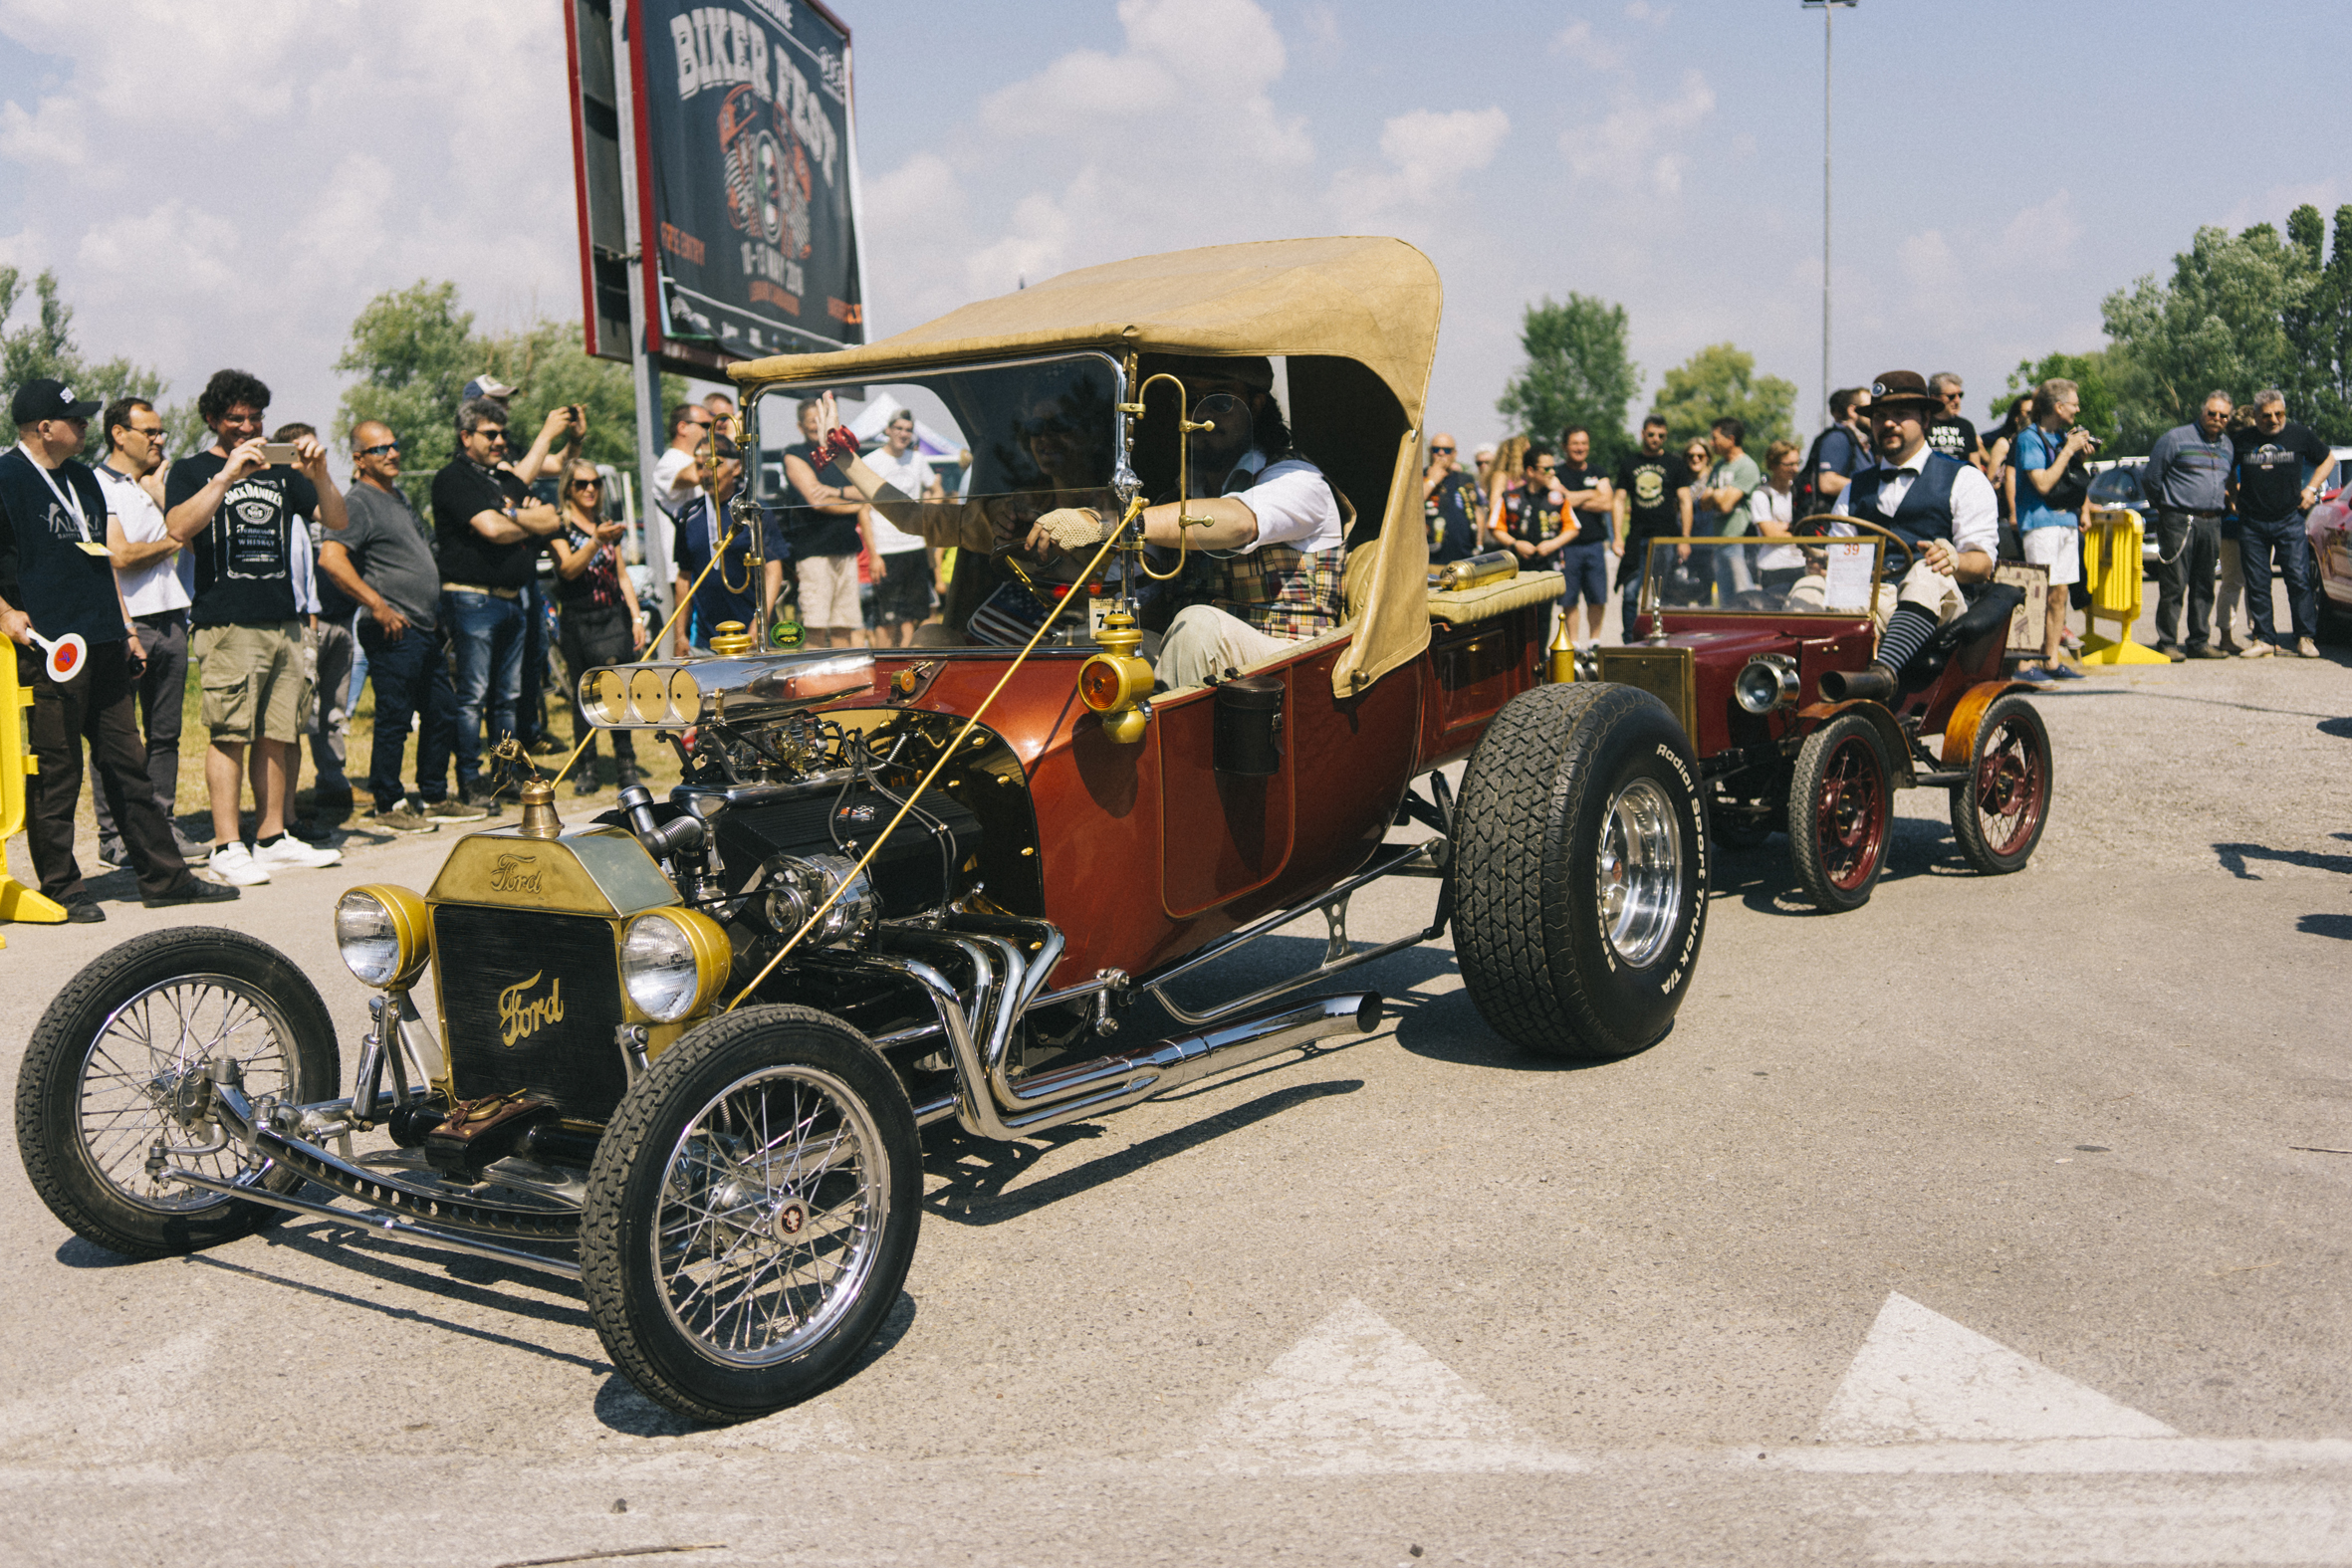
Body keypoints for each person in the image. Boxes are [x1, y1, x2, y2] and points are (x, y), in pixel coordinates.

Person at [2, 378, 235, 918]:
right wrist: (6, 614)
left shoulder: (84, 479)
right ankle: (63, 887)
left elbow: (99, 556)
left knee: (128, 764)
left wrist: (125, 627)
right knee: (58, 768)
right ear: (44, 428)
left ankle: (165, 878)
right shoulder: (5, 477)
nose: (85, 425)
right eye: (76, 419)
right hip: (51, 648)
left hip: (104, 639)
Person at [162, 368, 347, 887]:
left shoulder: (283, 472)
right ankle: (227, 845)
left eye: (255, 418)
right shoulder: (192, 468)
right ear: (212, 420)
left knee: (277, 731)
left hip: (283, 617)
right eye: (235, 419)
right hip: (227, 619)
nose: (247, 428)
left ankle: (271, 838)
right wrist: (226, 477)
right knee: (230, 733)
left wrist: (319, 474)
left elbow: (337, 520)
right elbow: (177, 528)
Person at [319, 420, 477, 833]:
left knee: (442, 711)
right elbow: (332, 559)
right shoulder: (358, 502)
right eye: (379, 449)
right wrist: (378, 606)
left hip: (423, 627)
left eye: (394, 445)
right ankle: (388, 802)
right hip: (390, 628)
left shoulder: (398, 497)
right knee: (395, 716)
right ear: (358, 459)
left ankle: (435, 795)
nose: (392, 454)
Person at [1827, 371, 2000, 697]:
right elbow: (1841, 557)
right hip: (1870, 600)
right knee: (1807, 589)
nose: (1888, 424)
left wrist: (1954, 558)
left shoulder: (1964, 478)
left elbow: (1983, 565)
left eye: (1900, 414)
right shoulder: (1854, 489)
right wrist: (1824, 565)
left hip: (1939, 606)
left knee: (1925, 573)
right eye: (1880, 416)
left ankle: (1884, 674)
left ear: (1925, 419)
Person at [91, 395, 206, 866]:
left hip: (171, 616)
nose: (160, 439)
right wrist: (171, 540)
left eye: (161, 432)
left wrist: (167, 511)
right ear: (120, 434)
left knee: (166, 735)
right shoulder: (98, 485)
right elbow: (119, 555)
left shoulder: (150, 487)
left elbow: (189, 539)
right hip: (130, 622)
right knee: (119, 736)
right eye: (151, 431)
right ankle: (115, 835)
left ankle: (162, 827)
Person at [431, 396, 563, 806]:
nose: (500, 441)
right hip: (472, 601)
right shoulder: (453, 478)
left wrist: (513, 516)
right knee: (473, 695)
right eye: (491, 434)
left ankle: (502, 777)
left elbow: (552, 518)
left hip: (512, 601)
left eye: (503, 433)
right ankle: (469, 780)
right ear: (465, 436)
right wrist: (519, 518)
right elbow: (491, 529)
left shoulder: (501, 479)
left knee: (507, 698)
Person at [267, 419, 357, 821]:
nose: (312, 458)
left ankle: (333, 787)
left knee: (333, 712)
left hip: (336, 618)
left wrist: (320, 475)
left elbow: (341, 520)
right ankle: (285, 810)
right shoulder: (279, 499)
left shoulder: (318, 498)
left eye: (317, 450)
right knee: (299, 716)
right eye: (302, 453)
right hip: (306, 620)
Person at [549, 460, 642, 793]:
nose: (590, 489)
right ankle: (587, 766)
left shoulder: (605, 524)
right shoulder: (559, 526)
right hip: (577, 617)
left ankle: (625, 763)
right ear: (568, 489)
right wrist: (594, 541)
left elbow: (621, 575)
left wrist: (636, 616)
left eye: (596, 483)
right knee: (582, 694)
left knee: (617, 690)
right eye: (581, 483)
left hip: (611, 615)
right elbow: (568, 569)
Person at [2231, 387, 2335, 659]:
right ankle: (2263, 639)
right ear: (2255, 416)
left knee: (2298, 580)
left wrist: (2311, 489)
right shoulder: (2242, 439)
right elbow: (2227, 467)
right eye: (2266, 415)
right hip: (2252, 521)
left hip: (2290, 519)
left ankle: (2305, 638)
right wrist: (2233, 493)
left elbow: (2329, 459)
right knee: (2257, 582)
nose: (2274, 420)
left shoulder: (2300, 435)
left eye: (2279, 414)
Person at [2141, 389, 2235, 661]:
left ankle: (2199, 641)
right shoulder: (2175, 438)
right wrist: (2167, 509)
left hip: (2212, 521)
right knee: (2174, 584)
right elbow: (2151, 478)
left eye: (2223, 415)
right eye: (2212, 413)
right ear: (2202, 411)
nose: (2217, 418)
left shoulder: (2227, 446)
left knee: (2205, 583)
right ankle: (2167, 641)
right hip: (2178, 520)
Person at [2011, 378, 2094, 680]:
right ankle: (2024, 664)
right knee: (2037, 593)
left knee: (2059, 593)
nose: (2078, 408)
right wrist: (2067, 451)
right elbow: (2043, 483)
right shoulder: (2029, 438)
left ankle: (2051, 659)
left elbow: (2069, 478)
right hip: (2040, 523)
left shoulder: (2062, 437)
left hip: (2065, 522)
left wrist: (2078, 454)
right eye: (2074, 403)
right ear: (2058, 407)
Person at [778, 398, 869, 649]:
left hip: (846, 549)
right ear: (800, 426)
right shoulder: (795, 454)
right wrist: (854, 501)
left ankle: (844, 684)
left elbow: (868, 491)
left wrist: (835, 491)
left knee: (844, 626)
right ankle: (814, 685)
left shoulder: (844, 453)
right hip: (814, 551)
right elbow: (816, 501)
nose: (818, 426)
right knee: (815, 627)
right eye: (811, 421)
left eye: (822, 420)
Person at [670, 435, 764, 653]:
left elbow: (772, 569)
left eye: (714, 465)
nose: (707, 474)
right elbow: (684, 577)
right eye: (700, 467)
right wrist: (680, 636)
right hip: (706, 640)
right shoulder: (688, 515)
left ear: (736, 467)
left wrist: (758, 625)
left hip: (752, 636)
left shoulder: (753, 512)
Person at [861, 409, 941, 647]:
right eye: (899, 428)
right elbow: (863, 511)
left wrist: (928, 514)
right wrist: (873, 555)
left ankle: (906, 665)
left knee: (912, 617)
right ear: (888, 430)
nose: (903, 434)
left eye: (908, 430)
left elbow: (936, 489)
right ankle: (884, 668)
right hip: (886, 550)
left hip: (914, 546)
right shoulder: (871, 461)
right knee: (886, 620)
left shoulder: (917, 459)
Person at [1611, 414, 1694, 633]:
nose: (1656, 439)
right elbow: (1619, 500)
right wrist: (1617, 536)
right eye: (1651, 434)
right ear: (1642, 434)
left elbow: (1685, 501)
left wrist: (1685, 539)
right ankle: (1630, 639)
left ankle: (1662, 637)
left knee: (1663, 594)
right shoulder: (1630, 463)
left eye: (1661, 435)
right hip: (1637, 537)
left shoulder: (1675, 463)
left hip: (1666, 537)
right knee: (1630, 593)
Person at [1553, 426, 1613, 644]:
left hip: (1594, 544)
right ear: (1565, 446)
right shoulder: (1556, 473)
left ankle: (1594, 642)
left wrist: (1572, 498)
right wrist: (1591, 493)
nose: (1580, 448)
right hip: (1567, 545)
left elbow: (1607, 502)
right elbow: (1560, 501)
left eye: (1584, 443)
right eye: (1575, 443)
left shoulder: (1598, 471)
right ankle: (1575, 644)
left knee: (1597, 596)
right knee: (1569, 599)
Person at [1699, 418, 1762, 597]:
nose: (1712, 443)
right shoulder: (1719, 466)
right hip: (1719, 542)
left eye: (1715, 438)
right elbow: (1704, 503)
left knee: (1745, 596)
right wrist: (1720, 494)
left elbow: (1726, 505)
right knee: (1725, 598)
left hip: (1739, 542)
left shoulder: (1746, 467)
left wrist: (1716, 495)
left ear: (1731, 439)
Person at [1750, 439, 1806, 597]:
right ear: (1773, 465)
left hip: (1800, 563)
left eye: (1797, 463)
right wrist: (1796, 529)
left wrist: (1783, 527)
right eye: (1789, 465)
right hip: (1774, 566)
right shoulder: (1762, 495)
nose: (1795, 469)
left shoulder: (1799, 492)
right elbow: (1769, 535)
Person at [1805, 386, 1872, 512]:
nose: (1873, 413)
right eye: (1868, 408)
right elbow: (1827, 483)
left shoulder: (1861, 441)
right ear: (1852, 411)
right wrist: (1873, 488)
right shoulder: (1838, 438)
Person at [1421, 431, 1482, 565]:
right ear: (1430, 452)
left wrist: (1479, 543)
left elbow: (1477, 510)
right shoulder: (1419, 477)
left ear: (1454, 454)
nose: (1441, 453)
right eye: (1436, 449)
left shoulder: (1466, 479)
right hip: (1431, 559)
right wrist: (1431, 481)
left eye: (1447, 450)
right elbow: (1410, 506)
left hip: (1464, 557)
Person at [651, 402, 717, 524]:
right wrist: (725, 442)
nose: (710, 431)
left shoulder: (695, 459)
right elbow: (694, 476)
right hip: (678, 542)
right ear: (682, 428)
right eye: (706, 425)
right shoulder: (669, 461)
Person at [1926, 372, 1986, 472]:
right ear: (1934, 398)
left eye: (1960, 395)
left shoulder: (1966, 426)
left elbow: (1975, 465)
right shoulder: (1923, 425)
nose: (1957, 400)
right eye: (1951, 396)